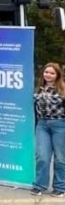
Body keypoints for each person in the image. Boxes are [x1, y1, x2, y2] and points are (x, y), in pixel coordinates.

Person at [32, 63, 65, 197]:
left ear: (57, 75)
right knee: (42, 157)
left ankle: (60, 187)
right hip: (42, 125)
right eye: (46, 72)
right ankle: (40, 185)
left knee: (60, 158)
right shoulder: (38, 88)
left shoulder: (62, 89)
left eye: (52, 73)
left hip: (60, 125)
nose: (48, 75)